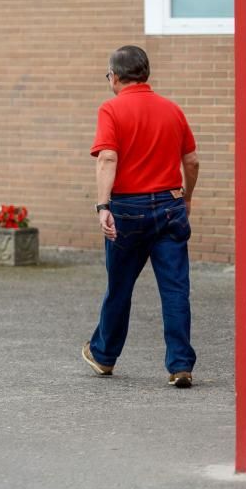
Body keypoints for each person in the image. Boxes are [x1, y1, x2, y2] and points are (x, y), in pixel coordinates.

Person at [83, 45, 200, 388]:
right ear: (145, 73)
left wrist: (103, 206)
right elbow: (192, 161)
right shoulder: (172, 110)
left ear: (115, 77)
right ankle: (180, 365)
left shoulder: (111, 109)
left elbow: (107, 158)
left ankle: (104, 356)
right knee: (176, 290)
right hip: (170, 206)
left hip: (127, 210)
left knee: (119, 287)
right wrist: (187, 198)